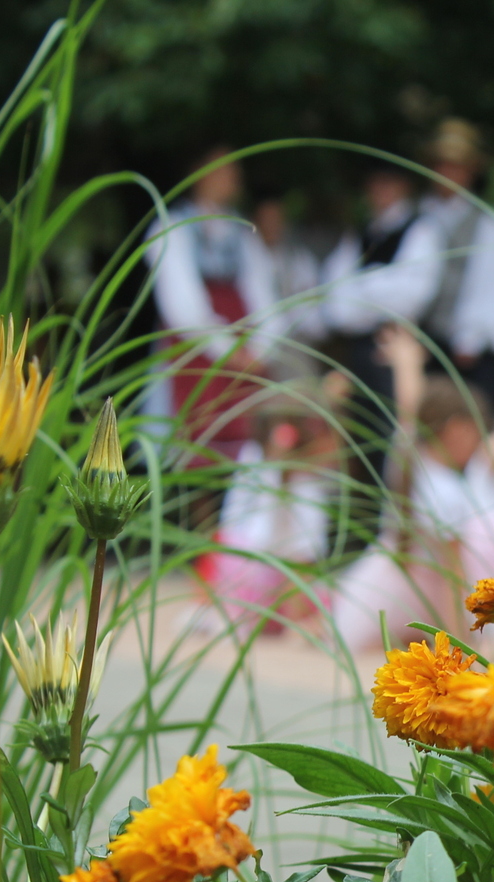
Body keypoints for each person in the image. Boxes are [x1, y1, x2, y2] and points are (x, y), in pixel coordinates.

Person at [331, 329, 494, 650]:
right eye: (475, 432)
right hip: (421, 589)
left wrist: (407, 364)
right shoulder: (443, 489)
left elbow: (409, 411)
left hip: (388, 583)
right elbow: (452, 575)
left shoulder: (409, 457)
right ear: (456, 430)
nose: (476, 444)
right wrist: (461, 643)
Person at [321, 159, 446, 544]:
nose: (380, 191)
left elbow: (412, 295)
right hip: (359, 354)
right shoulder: (359, 235)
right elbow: (334, 303)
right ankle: (361, 532)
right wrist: (377, 289)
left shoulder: (422, 231)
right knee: (357, 441)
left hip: (396, 350)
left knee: (397, 435)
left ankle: (394, 531)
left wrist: (360, 287)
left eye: (388, 183)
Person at [146, 145, 281, 464]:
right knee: (195, 444)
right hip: (196, 357)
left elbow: (264, 294)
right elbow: (183, 308)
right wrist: (229, 351)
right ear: (198, 173)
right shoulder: (171, 227)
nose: (232, 177)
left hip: (245, 358)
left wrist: (261, 349)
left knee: (248, 443)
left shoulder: (242, 231)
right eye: (222, 168)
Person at [201, 385, 341, 635]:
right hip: (263, 575)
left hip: (239, 569)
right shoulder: (301, 485)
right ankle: (293, 623)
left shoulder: (257, 460)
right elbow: (299, 554)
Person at [416, 118, 494, 413]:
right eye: (442, 164)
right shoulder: (418, 217)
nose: (448, 173)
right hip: (425, 345)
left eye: (456, 165)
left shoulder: (487, 223)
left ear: (471, 170)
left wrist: (471, 336)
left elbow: (491, 285)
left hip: (470, 353)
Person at [251, 194, 327, 385]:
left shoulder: (299, 258)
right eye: (266, 220)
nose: (272, 226)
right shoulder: (246, 258)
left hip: (295, 345)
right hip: (255, 345)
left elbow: (313, 312)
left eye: (277, 219)